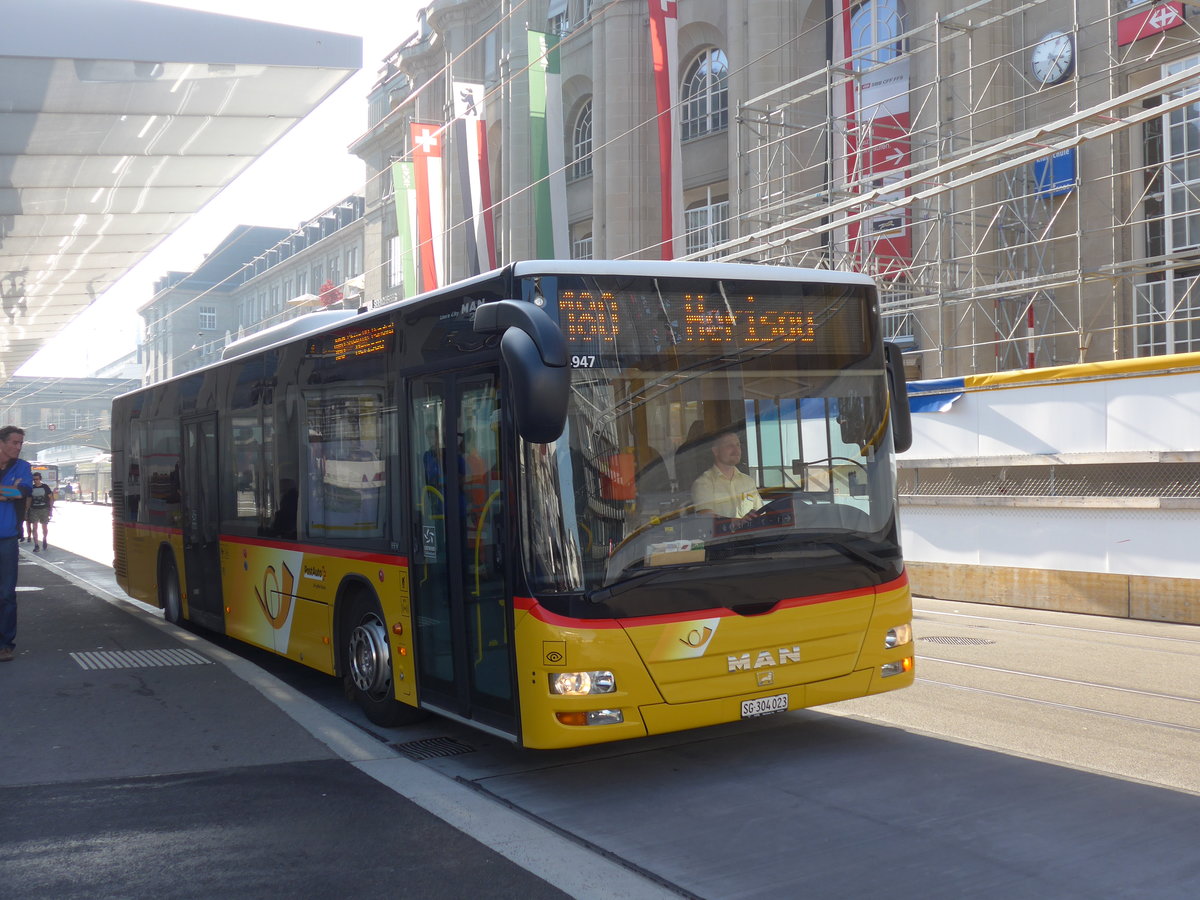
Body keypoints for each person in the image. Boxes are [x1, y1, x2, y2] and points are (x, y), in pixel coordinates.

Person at [0, 425, 33, 662]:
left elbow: (21, 492)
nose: (18, 447)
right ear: (1, 443)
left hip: (7, 538)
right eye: (14, 442)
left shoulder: (23, 467)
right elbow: (13, 492)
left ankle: (5, 644)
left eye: (21, 443)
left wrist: (12, 493)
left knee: (6, 594)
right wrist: (7, 492)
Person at [691, 430, 764, 524]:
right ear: (716, 451)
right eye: (730, 445)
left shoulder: (748, 481)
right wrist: (736, 522)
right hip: (724, 538)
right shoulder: (703, 483)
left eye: (738, 445)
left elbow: (761, 512)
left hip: (752, 537)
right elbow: (707, 518)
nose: (736, 450)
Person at [26, 471, 54, 551]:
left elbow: (51, 498)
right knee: (34, 527)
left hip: (44, 509)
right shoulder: (31, 488)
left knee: (44, 527)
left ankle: (44, 539)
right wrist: (26, 510)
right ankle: (36, 545)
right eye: (34, 479)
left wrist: (50, 509)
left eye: (37, 479)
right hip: (34, 509)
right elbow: (29, 499)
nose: (35, 481)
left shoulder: (45, 487)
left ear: (40, 479)